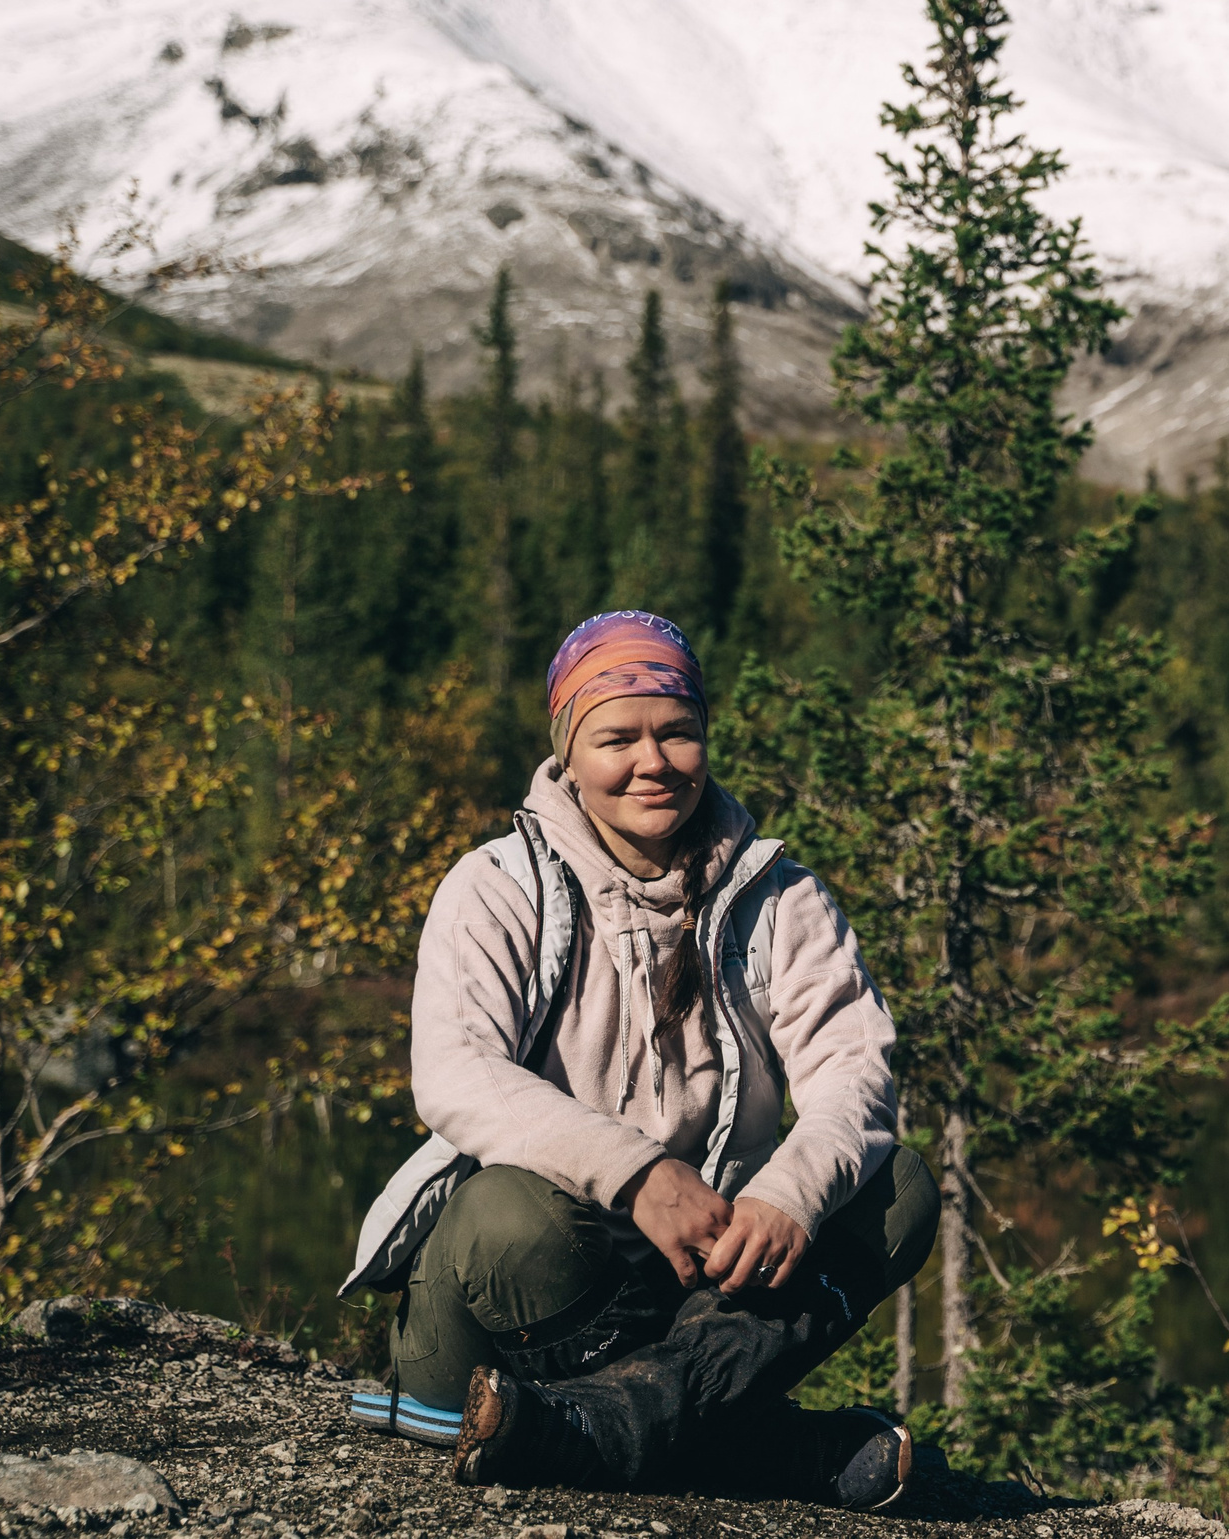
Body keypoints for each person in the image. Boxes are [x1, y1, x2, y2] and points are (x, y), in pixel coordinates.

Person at [339, 611, 935, 1509]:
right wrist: (639, 1175)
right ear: (568, 754)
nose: (652, 762)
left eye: (678, 732)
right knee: (510, 1210)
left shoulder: (783, 897)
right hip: (504, 1304)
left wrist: (787, 1194)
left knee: (900, 1191)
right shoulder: (498, 886)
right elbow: (456, 1073)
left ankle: (615, 1422)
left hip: (692, 1296)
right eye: (617, 737)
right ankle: (750, 1442)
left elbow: (855, 1076)